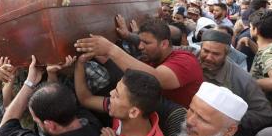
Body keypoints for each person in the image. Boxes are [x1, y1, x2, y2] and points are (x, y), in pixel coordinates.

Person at [0, 55, 101, 136]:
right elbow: (58, 100)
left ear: (50, 125)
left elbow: (5, 129)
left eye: (36, 121)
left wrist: (30, 82)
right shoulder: (94, 128)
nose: (36, 122)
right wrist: (52, 75)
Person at [75, 18, 203, 108]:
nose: (140, 46)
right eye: (140, 41)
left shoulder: (185, 60)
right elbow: (86, 100)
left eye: (146, 43)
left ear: (164, 44)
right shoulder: (149, 62)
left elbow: (157, 79)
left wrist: (111, 49)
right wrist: (80, 63)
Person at [74, 55, 170, 136]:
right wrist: (80, 62)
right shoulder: (123, 111)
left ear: (134, 112)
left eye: (117, 95)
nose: (111, 93)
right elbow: (86, 99)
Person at [199, 29, 272, 136]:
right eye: (206, 51)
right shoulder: (189, 59)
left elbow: (265, 114)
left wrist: (229, 118)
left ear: (227, 54)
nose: (209, 57)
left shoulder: (243, 80)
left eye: (216, 54)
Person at [171, 82, 266, 136]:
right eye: (191, 110)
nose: (189, 121)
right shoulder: (174, 119)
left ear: (229, 130)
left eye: (203, 119)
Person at [249, 10, 272, 105]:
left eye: (250, 27)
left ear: (255, 30)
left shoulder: (268, 52)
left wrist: (249, 82)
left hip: (266, 110)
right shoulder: (270, 48)